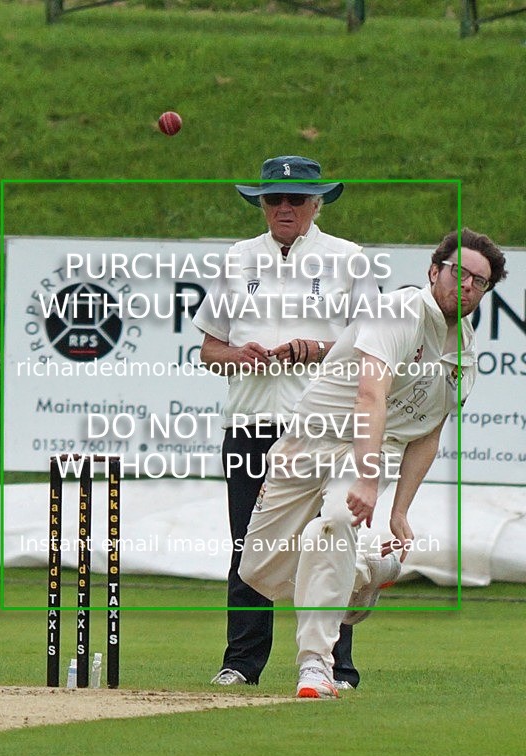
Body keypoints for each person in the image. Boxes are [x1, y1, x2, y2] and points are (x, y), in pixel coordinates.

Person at [239, 228, 507, 698]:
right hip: (311, 441)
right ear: (434, 271)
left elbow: (428, 431)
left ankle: (315, 667)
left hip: (368, 449)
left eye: (479, 281)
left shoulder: (466, 351)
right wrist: (367, 478)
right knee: (259, 571)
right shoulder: (397, 310)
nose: (466, 285)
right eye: (458, 272)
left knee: (336, 522)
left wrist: (398, 507)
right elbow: (370, 395)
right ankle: (367, 571)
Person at [193, 155, 378, 688]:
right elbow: (208, 350)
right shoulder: (237, 259)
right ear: (261, 203)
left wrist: (314, 348)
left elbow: (372, 346)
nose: (284, 208)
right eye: (274, 198)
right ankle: (241, 662)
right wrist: (239, 356)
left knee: (329, 539)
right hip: (250, 423)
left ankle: (334, 664)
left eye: (296, 199)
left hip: (321, 428)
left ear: (317, 203)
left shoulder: (348, 260)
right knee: (248, 545)